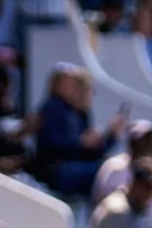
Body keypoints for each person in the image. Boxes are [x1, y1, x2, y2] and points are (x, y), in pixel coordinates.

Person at [31, 64, 125, 199]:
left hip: (74, 166)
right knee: (106, 170)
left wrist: (112, 135)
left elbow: (92, 153)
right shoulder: (52, 108)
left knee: (114, 166)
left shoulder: (80, 114)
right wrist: (81, 143)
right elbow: (50, 144)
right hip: (56, 171)